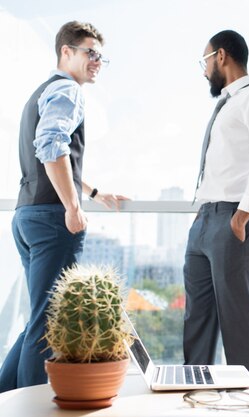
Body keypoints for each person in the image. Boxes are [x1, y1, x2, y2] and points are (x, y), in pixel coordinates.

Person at [0, 21, 129, 392]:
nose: (97, 61)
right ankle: (30, 407)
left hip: (26, 216)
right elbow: (52, 144)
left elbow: (56, 157)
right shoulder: (68, 91)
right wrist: (73, 207)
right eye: (90, 52)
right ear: (66, 52)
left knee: (37, 320)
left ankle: (7, 398)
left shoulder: (41, 92)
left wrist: (91, 192)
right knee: (49, 322)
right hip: (51, 219)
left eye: (101, 56)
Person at [183, 30, 249, 373]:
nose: (204, 70)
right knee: (197, 320)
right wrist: (200, 215)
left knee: (238, 322)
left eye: (205, 60)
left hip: (234, 219)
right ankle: (191, 395)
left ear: (221, 56)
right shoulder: (226, 104)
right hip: (205, 220)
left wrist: (240, 218)